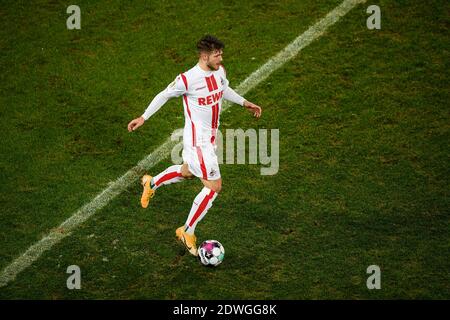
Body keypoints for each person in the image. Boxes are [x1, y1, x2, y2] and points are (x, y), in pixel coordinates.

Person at [127, 35, 262, 256]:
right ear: (204, 55)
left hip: (209, 138)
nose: (221, 57)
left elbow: (223, 89)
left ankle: (152, 183)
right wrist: (143, 117)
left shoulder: (220, 71)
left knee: (188, 171)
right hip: (197, 141)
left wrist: (244, 102)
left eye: (221, 53)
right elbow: (164, 95)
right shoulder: (187, 79)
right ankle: (186, 231)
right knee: (214, 186)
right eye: (217, 54)